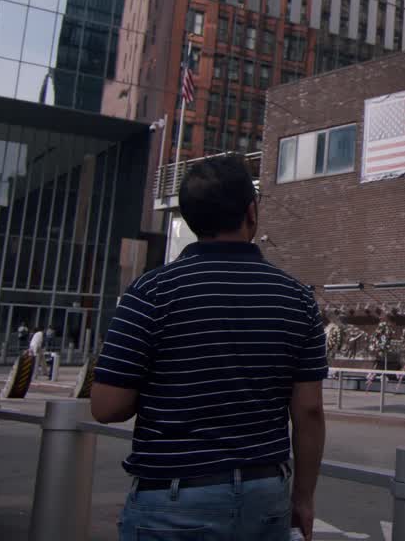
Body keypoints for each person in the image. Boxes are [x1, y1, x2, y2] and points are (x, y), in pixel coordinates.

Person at [91, 154, 328, 541]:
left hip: (174, 497)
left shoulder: (150, 293)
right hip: (264, 495)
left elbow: (106, 406)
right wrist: (302, 498)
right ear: (251, 213)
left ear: (189, 219)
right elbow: (309, 410)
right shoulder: (296, 299)